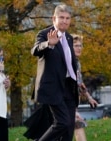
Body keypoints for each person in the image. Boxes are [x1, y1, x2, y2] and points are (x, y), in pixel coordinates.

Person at [30, 4, 79, 141]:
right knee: (62, 122)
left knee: (69, 128)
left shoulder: (69, 38)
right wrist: (49, 44)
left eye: (67, 18)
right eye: (61, 17)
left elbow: (68, 63)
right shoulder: (44, 34)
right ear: (54, 18)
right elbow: (35, 51)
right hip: (53, 87)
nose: (64, 21)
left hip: (69, 86)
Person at [72, 34, 98, 141]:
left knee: (75, 125)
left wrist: (89, 98)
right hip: (63, 102)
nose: (79, 48)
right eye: (76, 46)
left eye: (80, 45)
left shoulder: (77, 63)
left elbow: (80, 83)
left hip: (71, 101)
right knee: (77, 123)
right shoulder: (67, 63)